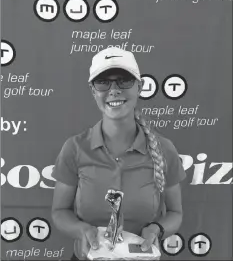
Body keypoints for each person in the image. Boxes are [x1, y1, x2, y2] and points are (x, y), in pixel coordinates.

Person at [51, 47, 186, 260]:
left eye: (124, 80)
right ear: (93, 90)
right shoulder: (75, 148)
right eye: (103, 82)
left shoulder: (164, 149)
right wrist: (81, 230)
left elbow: (175, 213)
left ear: (140, 87)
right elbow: (59, 211)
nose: (114, 90)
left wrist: (156, 230)